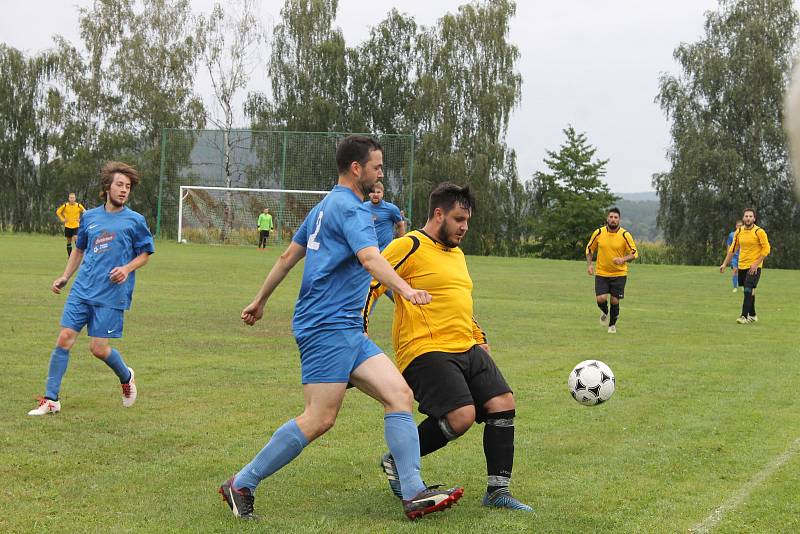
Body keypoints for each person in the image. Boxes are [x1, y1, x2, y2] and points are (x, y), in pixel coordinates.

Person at [218, 135, 463, 521]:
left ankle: (414, 491)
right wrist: (405, 289)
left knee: (399, 393)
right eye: (377, 167)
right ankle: (242, 483)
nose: (381, 174)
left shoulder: (323, 206)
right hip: (325, 326)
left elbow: (287, 257)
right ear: (356, 168)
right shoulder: (351, 210)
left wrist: (260, 300)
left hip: (347, 328)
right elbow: (370, 258)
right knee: (319, 418)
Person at [367, 182, 532, 513]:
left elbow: (459, 300)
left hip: (466, 345)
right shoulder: (409, 245)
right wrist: (357, 329)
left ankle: (498, 492)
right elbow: (369, 283)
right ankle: (399, 460)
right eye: (458, 219)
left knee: (503, 402)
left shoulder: (456, 254)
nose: (464, 228)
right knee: (461, 416)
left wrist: (478, 337)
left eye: (467, 221)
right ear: (438, 214)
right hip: (425, 349)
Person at [28, 162, 155, 416]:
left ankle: (126, 376)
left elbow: (146, 254)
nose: (123, 190)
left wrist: (127, 269)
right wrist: (65, 276)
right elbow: (79, 249)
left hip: (111, 294)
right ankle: (51, 400)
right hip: (82, 289)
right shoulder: (89, 217)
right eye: (119, 185)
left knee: (98, 348)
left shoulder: (135, 220)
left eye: (128, 187)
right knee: (64, 338)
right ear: (107, 187)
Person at [585, 207, 638, 334]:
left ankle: (612, 325)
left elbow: (634, 253)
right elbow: (589, 249)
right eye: (611, 217)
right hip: (602, 273)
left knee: (614, 300)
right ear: (607, 218)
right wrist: (589, 265)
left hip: (619, 273)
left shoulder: (625, 235)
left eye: (616, 218)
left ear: (619, 220)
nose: (613, 220)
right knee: (601, 299)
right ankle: (605, 311)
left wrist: (623, 259)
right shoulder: (598, 232)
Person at [719, 208, 770, 324]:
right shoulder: (739, 231)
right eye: (746, 216)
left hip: (754, 267)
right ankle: (753, 315)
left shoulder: (759, 232)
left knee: (748, 289)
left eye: (750, 216)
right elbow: (733, 249)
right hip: (742, 265)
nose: (748, 218)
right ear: (743, 218)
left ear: (754, 218)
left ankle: (744, 316)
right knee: (748, 291)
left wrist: (756, 264)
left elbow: (766, 249)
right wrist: (724, 263)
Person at [364, 181, 405, 251]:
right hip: (367, 251)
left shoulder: (392, 209)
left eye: (378, 192)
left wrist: (400, 245)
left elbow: (400, 225)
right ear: (369, 193)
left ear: (383, 193)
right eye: (373, 192)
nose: (375, 194)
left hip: (385, 251)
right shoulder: (362, 207)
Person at [56, 192, 86, 258]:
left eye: (73, 198)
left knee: (76, 238)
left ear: (75, 198)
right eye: (70, 198)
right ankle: (70, 256)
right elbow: (58, 212)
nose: (72, 199)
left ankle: (78, 254)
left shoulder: (78, 205)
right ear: (68, 198)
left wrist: (81, 219)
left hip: (76, 225)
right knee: (69, 241)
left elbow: (85, 212)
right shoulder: (65, 205)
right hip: (68, 226)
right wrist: (62, 219)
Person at [725, 220, 743, 292]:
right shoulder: (731, 234)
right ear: (736, 226)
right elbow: (729, 245)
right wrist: (728, 256)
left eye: (741, 225)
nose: (740, 227)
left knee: (742, 272)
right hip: (734, 257)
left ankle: (742, 285)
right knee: (735, 271)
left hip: (743, 256)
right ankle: (735, 287)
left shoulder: (745, 234)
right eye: (738, 225)